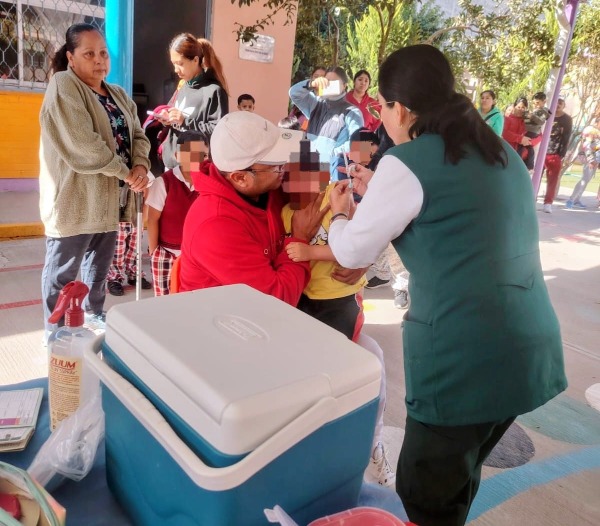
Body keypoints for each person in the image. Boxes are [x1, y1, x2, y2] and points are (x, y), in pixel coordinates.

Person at [326, 44, 566, 526]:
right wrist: (382, 191)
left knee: (424, 495)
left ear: (401, 109)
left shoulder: (407, 161)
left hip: (464, 359)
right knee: (460, 478)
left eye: (383, 107)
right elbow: (459, 216)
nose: (382, 116)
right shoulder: (498, 150)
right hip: (527, 350)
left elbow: (351, 252)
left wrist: (339, 215)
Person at [282, 157, 396, 487]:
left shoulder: (337, 197)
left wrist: (313, 253)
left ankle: (369, 447)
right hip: (304, 300)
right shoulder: (285, 210)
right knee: (314, 377)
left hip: (338, 299)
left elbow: (358, 243)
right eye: (291, 180)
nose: (300, 188)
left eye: (309, 179)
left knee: (350, 370)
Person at [39, 23, 150, 337]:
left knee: (98, 269)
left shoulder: (118, 94)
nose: (99, 60)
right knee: (63, 273)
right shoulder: (64, 85)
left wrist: (140, 166)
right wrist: (126, 173)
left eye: (103, 53)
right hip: (73, 199)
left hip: (108, 200)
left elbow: (139, 135)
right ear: (71, 58)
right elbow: (83, 143)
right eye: (89, 54)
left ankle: (93, 315)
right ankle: (55, 332)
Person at [178, 111, 329, 305]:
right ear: (240, 178)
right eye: (276, 166)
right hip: (224, 317)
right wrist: (300, 238)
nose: (285, 167)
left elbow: (319, 193)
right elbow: (276, 301)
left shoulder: (266, 184)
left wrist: (351, 257)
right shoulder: (215, 225)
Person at [146, 131, 208, 296]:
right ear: (177, 155)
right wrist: (155, 252)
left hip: (197, 255)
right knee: (164, 300)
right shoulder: (164, 182)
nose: (195, 159)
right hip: (166, 254)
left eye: (201, 155)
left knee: (192, 299)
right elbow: (152, 219)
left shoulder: (208, 183)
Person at [159, 33, 228, 170]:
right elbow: (173, 113)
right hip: (172, 163)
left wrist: (185, 121)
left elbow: (218, 131)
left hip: (194, 167)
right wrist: (167, 118)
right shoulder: (183, 86)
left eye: (180, 64)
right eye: (174, 64)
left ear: (195, 60)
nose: (176, 70)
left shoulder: (214, 91)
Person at [289, 66, 364, 181]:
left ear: (344, 85)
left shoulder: (352, 112)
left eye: (334, 82)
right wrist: (311, 83)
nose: (329, 84)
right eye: (327, 81)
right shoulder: (315, 104)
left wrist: (333, 153)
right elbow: (293, 93)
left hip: (333, 175)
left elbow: (358, 143)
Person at [105, 189, 152, 296]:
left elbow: (147, 192)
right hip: (118, 217)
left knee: (135, 249)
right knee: (117, 251)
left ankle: (134, 274)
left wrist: (144, 212)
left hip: (136, 216)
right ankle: (114, 278)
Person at [542, 98, 572, 213]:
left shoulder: (567, 119)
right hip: (541, 151)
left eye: (560, 103)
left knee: (552, 179)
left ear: (564, 106)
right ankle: (532, 198)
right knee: (535, 177)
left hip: (555, 153)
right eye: (556, 103)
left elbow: (566, 137)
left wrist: (561, 154)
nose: (558, 105)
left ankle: (548, 203)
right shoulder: (546, 114)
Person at [566, 116, 600, 209]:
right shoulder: (591, 130)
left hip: (595, 159)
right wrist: (591, 160)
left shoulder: (596, 131)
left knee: (586, 180)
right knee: (584, 180)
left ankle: (576, 199)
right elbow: (586, 146)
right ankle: (572, 199)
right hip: (589, 159)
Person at [522, 91, 550, 170]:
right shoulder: (535, 110)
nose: (535, 105)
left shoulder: (545, 111)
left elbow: (541, 121)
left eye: (537, 103)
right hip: (526, 130)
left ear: (544, 102)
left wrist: (532, 116)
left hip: (532, 132)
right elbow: (526, 121)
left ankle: (529, 164)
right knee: (526, 146)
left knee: (526, 145)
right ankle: (528, 164)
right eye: (534, 103)